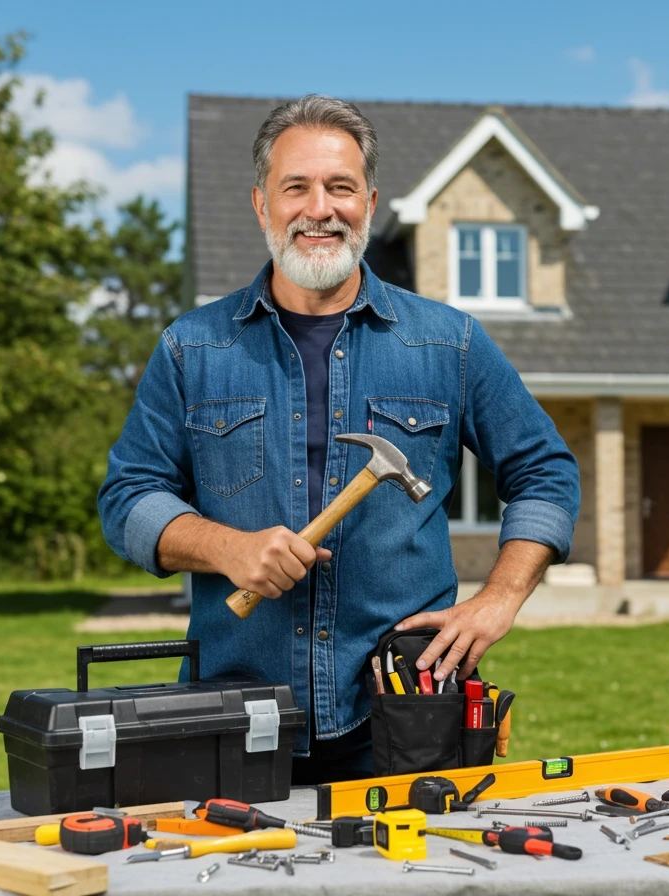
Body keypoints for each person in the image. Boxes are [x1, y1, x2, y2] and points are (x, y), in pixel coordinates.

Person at [98, 95, 580, 782]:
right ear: (262, 204)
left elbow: (546, 472)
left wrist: (498, 598)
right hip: (234, 718)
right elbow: (127, 499)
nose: (319, 208)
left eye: (340, 187)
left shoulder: (448, 343)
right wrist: (228, 548)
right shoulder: (194, 348)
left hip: (406, 708)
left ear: (370, 204)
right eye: (296, 187)